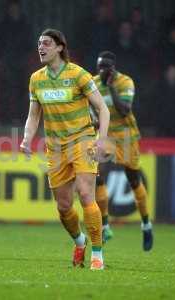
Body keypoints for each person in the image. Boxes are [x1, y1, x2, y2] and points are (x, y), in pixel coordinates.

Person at [20, 29, 110, 270]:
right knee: (63, 206)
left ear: (60, 47)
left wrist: (101, 139)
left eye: (47, 43)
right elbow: (33, 116)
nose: (41, 47)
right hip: (55, 148)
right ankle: (80, 242)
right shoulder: (36, 79)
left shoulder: (78, 74)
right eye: (39, 43)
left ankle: (97, 255)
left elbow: (103, 109)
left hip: (82, 140)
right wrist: (27, 139)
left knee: (85, 194)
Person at [92, 51, 153, 251]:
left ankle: (146, 224)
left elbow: (125, 109)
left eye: (105, 67)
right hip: (106, 137)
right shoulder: (93, 84)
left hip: (127, 138)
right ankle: (106, 226)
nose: (102, 71)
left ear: (113, 68)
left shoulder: (125, 82)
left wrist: (110, 88)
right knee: (96, 175)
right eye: (99, 67)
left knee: (134, 180)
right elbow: (92, 113)